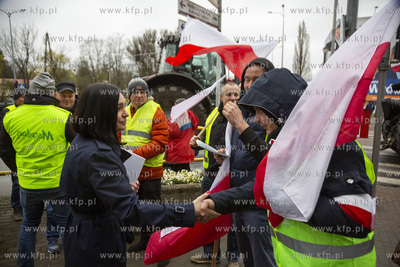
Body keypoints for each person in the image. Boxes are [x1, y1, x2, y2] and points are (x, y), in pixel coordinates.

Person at [201, 68, 376, 266]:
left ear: (280, 110)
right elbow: (266, 186)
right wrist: (215, 202)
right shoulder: (293, 143)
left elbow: (360, 218)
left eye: (259, 110)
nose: (256, 119)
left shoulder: (335, 146)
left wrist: (283, 197)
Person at [59, 83, 210, 267]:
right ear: (100, 112)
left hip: (86, 234)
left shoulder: (84, 141)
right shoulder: (98, 153)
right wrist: (187, 211)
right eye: (118, 108)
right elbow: (131, 210)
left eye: (124, 106)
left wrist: (116, 186)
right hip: (97, 239)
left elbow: (81, 187)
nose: (125, 113)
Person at [0, 72, 76, 266]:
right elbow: (78, 149)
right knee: (67, 228)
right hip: (57, 184)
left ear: (30, 92)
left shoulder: (11, 117)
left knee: (28, 226)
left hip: (28, 184)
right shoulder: (63, 116)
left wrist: (18, 169)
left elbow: (4, 149)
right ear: (52, 93)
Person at [214, 58, 277, 267]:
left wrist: (240, 124)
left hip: (258, 202)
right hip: (238, 197)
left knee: (262, 257)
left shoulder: (272, 115)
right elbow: (241, 152)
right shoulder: (244, 111)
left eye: (256, 80)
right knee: (247, 255)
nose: (249, 85)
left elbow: (269, 159)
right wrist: (225, 156)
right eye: (246, 80)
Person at [189, 82, 240, 266]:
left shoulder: (241, 117)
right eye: (229, 95)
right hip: (210, 177)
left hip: (230, 177)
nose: (233, 98)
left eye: (236, 95)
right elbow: (204, 141)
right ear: (221, 97)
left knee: (233, 219)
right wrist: (196, 143)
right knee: (206, 216)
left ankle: (233, 258)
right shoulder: (212, 115)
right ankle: (210, 254)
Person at [120, 74, 169, 253]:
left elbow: (160, 143)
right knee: (139, 209)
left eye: (143, 92)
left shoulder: (155, 110)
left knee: (153, 210)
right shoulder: (124, 110)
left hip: (150, 171)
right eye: (135, 92)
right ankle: (145, 242)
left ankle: (160, 248)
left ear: (147, 94)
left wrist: (133, 154)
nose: (139, 95)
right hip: (131, 172)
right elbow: (119, 136)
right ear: (129, 95)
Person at [0, 87, 26, 221]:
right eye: (23, 97)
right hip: (14, 153)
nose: (25, 99)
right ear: (16, 99)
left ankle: (33, 203)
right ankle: (17, 208)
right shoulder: (7, 112)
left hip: (27, 152)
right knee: (17, 182)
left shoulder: (28, 110)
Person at [166, 98, 199, 172]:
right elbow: (196, 125)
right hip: (188, 150)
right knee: (186, 173)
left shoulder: (176, 117)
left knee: (176, 175)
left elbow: (171, 132)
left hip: (177, 152)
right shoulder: (190, 114)